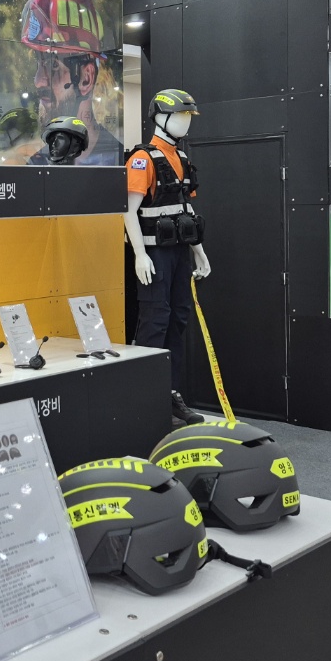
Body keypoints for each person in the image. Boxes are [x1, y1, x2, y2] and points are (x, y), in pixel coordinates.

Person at [125, 88, 211, 428]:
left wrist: (199, 251)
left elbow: (185, 209)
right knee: (155, 321)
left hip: (179, 254)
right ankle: (145, 399)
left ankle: (171, 395)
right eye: (180, 115)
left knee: (178, 320)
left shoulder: (182, 158)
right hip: (154, 255)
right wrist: (139, 254)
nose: (185, 122)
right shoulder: (142, 159)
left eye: (189, 116)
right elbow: (128, 211)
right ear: (160, 117)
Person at [17, 0, 122, 165]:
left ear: (86, 79)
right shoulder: (36, 163)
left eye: (53, 65)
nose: (38, 81)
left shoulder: (116, 160)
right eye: (39, 64)